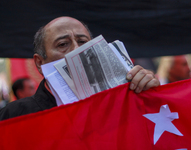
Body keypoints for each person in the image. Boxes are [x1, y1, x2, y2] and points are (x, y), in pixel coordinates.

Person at [0, 16, 160, 121]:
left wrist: (151, 96)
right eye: (62, 44)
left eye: (83, 42)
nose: (77, 50)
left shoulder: (126, 98)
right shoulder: (16, 115)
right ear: (40, 63)